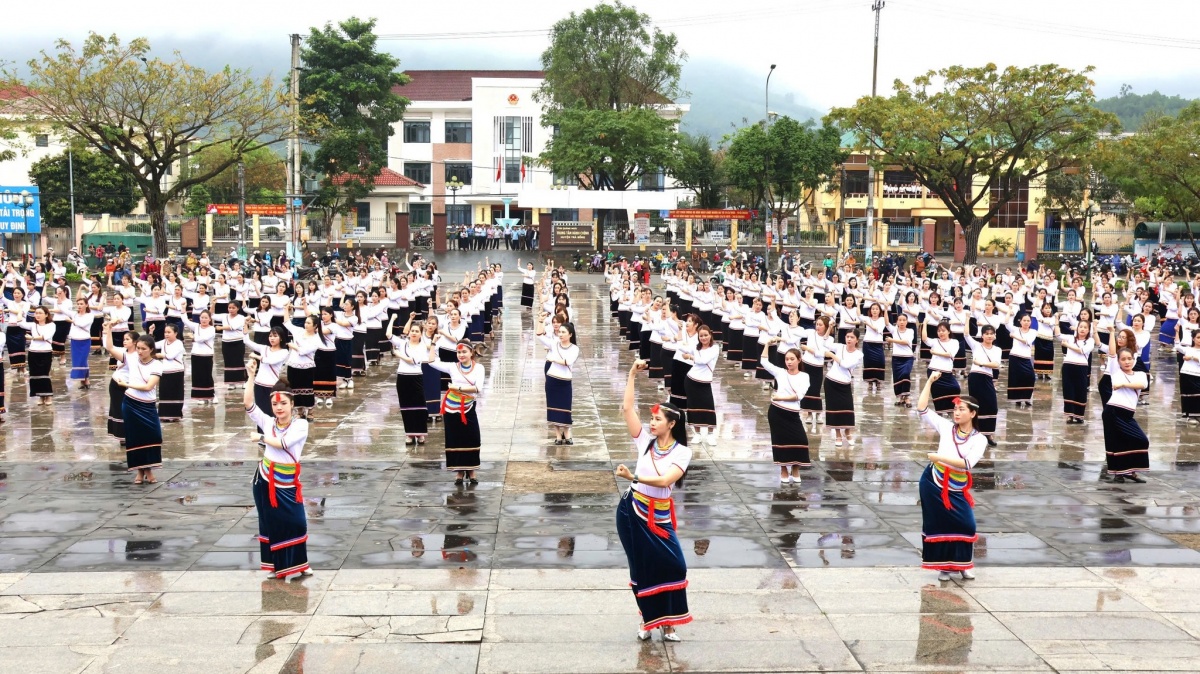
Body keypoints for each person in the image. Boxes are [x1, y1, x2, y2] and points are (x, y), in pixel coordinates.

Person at [614, 359, 692, 642]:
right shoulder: (644, 441)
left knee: (674, 565)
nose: (652, 421)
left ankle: (669, 621)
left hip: (658, 515)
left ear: (671, 424)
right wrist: (632, 375)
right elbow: (626, 409)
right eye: (652, 418)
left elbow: (664, 481)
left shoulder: (682, 452)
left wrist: (633, 476)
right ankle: (649, 620)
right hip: (632, 511)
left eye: (658, 419)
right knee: (641, 568)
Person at [244, 361, 312, 580]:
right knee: (269, 522)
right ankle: (275, 565)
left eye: (283, 403)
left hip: (287, 480)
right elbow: (248, 404)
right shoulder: (268, 421)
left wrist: (261, 437)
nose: (279, 408)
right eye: (275, 404)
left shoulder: (301, 425)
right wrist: (251, 377)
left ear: (292, 404)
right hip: (265, 478)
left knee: (296, 521)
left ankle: (301, 563)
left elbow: (284, 443)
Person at [916, 371, 987, 581]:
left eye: (961, 409)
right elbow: (922, 408)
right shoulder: (947, 427)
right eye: (955, 409)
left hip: (957, 483)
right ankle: (944, 567)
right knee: (939, 524)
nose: (956, 413)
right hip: (933, 481)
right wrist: (929, 381)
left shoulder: (979, 439)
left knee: (966, 523)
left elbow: (967, 464)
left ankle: (963, 564)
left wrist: (939, 457)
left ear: (972, 413)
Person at [428, 339, 487, 485]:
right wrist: (433, 344)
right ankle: (459, 472)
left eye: (464, 352)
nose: (461, 355)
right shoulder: (453, 367)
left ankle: (471, 470)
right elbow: (431, 362)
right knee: (455, 438)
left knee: (472, 437)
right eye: (459, 352)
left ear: (471, 352)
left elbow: (478, 388)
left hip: (467, 406)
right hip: (451, 407)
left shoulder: (479, 368)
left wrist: (458, 388)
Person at [116, 334, 163, 484]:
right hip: (130, 403)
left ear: (151, 350)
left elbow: (149, 386)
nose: (140, 351)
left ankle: (148, 469)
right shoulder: (131, 358)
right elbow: (109, 348)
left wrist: (127, 384)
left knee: (153, 436)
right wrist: (107, 330)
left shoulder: (157, 365)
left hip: (147, 405)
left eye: (143, 349)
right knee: (134, 437)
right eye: (138, 348)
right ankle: (141, 471)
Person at [761, 340, 810, 482]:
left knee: (800, 439)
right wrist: (766, 345)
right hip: (776, 412)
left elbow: (798, 396)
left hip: (792, 413)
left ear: (799, 360)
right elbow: (764, 362)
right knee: (779, 440)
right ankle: (783, 469)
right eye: (787, 359)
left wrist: (780, 397)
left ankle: (795, 468)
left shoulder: (804, 376)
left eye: (792, 359)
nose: (789, 362)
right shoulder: (781, 373)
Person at [1101, 346, 1149, 483]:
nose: (1127, 362)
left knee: (1141, 440)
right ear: (1119, 361)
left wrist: (1124, 384)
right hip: (1113, 411)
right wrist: (1111, 331)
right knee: (1116, 443)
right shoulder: (1116, 373)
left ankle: (1129, 470)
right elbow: (1116, 383)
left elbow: (1143, 384)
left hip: (1127, 414)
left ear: (1134, 360)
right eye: (1123, 359)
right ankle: (1120, 473)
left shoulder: (1140, 374)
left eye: (1129, 359)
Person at [536, 317, 580, 445]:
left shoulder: (574, 348)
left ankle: (567, 433)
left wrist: (553, 358)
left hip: (565, 381)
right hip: (552, 380)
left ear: (570, 335)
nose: (560, 334)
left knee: (566, 408)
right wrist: (541, 321)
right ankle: (558, 435)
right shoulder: (554, 343)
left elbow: (567, 362)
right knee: (553, 408)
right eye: (559, 332)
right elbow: (539, 335)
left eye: (563, 332)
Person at [387, 314, 430, 444]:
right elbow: (388, 335)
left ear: (421, 334)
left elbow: (413, 361)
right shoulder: (403, 343)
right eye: (412, 331)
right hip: (402, 377)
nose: (414, 333)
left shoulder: (423, 346)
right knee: (406, 407)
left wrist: (398, 354)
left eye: (417, 331)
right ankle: (409, 434)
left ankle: (420, 434)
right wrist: (392, 319)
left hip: (416, 377)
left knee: (420, 406)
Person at [963, 326, 1002, 446]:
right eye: (986, 333)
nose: (989, 336)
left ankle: (988, 433)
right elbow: (966, 334)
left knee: (992, 405)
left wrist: (981, 363)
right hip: (975, 377)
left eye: (991, 333)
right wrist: (967, 318)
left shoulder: (997, 349)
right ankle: (974, 433)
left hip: (987, 377)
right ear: (982, 335)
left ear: (994, 335)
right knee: (976, 406)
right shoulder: (976, 345)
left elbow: (996, 364)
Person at [823, 329, 862, 447]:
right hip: (831, 381)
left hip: (844, 384)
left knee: (847, 408)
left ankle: (848, 431)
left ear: (857, 340)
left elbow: (845, 364)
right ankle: (838, 434)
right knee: (833, 409)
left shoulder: (859, 354)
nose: (849, 339)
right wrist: (829, 328)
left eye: (852, 337)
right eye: (847, 337)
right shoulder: (840, 347)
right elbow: (825, 343)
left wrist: (831, 355)